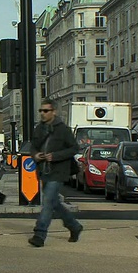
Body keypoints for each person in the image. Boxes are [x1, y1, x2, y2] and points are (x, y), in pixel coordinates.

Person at [28, 98, 83, 247]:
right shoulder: (39, 128)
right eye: (41, 110)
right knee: (54, 203)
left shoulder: (63, 129)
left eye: (46, 111)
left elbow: (74, 148)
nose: (42, 114)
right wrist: (35, 155)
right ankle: (74, 226)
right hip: (44, 170)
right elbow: (33, 146)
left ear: (54, 112)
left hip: (58, 171)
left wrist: (55, 156)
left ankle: (39, 234)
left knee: (47, 201)